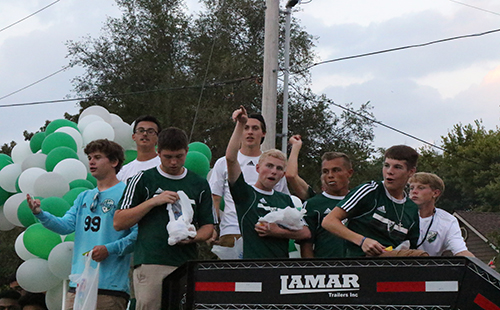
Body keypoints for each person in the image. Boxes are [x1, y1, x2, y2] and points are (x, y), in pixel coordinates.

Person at [27, 139, 137, 310]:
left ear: (114, 162)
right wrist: (40, 214)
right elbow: (65, 225)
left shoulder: (127, 194)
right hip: (79, 285)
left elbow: (137, 235)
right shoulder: (84, 196)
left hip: (109, 287)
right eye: (90, 157)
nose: (91, 162)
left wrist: (109, 249)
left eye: (98, 157)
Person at [114, 127, 215, 310]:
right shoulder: (143, 179)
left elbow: (209, 227)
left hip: (187, 264)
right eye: (168, 157)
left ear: (187, 152)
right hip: (152, 262)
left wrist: (193, 237)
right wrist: (153, 202)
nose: (174, 162)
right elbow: (119, 221)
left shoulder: (199, 184)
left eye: (179, 156)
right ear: (158, 152)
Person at [226, 106, 310, 259]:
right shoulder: (245, 194)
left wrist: (278, 232)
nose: (273, 171)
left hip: (281, 271)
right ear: (258, 168)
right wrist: (240, 124)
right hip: (254, 269)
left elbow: (305, 232)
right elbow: (231, 159)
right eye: (269, 166)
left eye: (279, 168)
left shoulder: (285, 199)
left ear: (282, 174)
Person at [322, 145, 420, 257]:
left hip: (392, 265)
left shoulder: (412, 208)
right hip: (360, 263)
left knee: (420, 258)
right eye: (386, 165)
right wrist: (362, 241)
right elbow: (329, 221)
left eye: (397, 167)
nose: (389, 171)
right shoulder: (371, 190)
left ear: (411, 172)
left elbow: (411, 245)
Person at [209, 112, 289, 247]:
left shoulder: (275, 166)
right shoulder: (223, 162)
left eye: (255, 128)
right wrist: (212, 226)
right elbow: (215, 198)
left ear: (263, 133)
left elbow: (281, 200)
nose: (250, 132)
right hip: (232, 230)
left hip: (264, 232)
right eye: (246, 128)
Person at [287, 135, 353, 258]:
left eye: (336, 170)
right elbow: (306, 245)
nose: (330, 175)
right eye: (325, 171)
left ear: (349, 173)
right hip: (325, 271)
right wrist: (312, 271)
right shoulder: (313, 204)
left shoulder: (361, 200)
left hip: (358, 269)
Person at [409, 172, 474, 257]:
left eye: (421, 188)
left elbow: (461, 251)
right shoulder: (399, 214)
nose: (414, 191)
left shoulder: (448, 221)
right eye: (411, 188)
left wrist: (481, 268)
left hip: (430, 268)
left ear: (435, 193)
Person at [117, 115, 162, 183]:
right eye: (141, 130)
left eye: (150, 131)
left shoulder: (165, 165)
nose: (145, 134)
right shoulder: (123, 172)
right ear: (133, 136)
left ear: (158, 137)